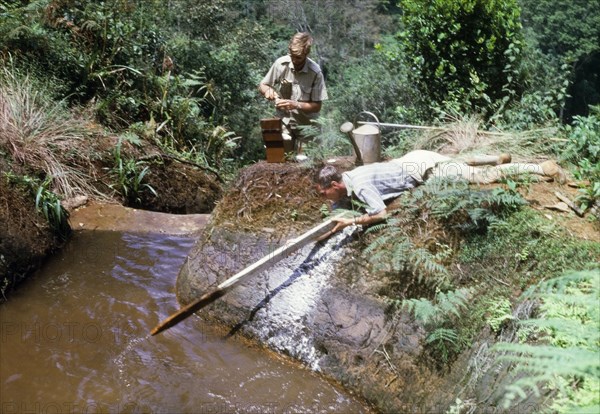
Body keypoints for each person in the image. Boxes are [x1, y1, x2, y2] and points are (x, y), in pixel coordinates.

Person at [317, 150, 567, 234]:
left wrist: (355, 221)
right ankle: (496, 157)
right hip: (413, 159)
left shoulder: (358, 185)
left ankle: (542, 167)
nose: (325, 199)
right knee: (459, 164)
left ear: (335, 185)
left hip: (424, 171)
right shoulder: (348, 176)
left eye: (324, 194)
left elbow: (381, 214)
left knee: (480, 177)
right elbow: (341, 205)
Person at [258, 32, 328, 154]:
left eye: (298, 57)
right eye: (292, 56)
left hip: (307, 126)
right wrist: (270, 92)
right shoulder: (280, 64)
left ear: (306, 54)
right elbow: (263, 85)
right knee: (280, 160)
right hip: (284, 122)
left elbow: (317, 106)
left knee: (307, 163)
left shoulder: (315, 72)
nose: (294, 60)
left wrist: (295, 105)